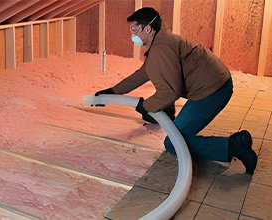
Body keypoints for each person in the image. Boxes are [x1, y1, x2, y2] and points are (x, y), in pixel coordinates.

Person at [94, 7, 258, 174]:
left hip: (212, 90)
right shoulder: (162, 40)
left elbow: (171, 91)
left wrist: (147, 106)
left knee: (173, 142)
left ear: (148, 29)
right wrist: (113, 92)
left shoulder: (160, 49)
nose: (132, 34)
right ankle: (170, 110)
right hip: (215, 82)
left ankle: (233, 146)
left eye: (135, 29)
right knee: (176, 132)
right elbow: (144, 73)